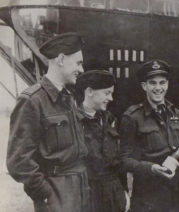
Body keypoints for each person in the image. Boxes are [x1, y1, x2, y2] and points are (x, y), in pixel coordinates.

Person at [6, 32, 89, 212]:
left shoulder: (68, 98)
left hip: (80, 189)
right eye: (78, 63)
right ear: (60, 59)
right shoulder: (32, 101)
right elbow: (18, 161)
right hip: (56, 194)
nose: (81, 70)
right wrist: (45, 193)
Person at [119, 59, 179, 212]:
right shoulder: (132, 117)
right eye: (153, 83)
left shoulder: (176, 113)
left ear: (168, 84)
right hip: (149, 197)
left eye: (162, 82)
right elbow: (123, 160)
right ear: (144, 86)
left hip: (176, 193)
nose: (158, 88)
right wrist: (151, 168)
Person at [75, 70, 130, 212]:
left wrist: (124, 191)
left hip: (114, 193)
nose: (111, 98)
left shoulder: (110, 119)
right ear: (90, 91)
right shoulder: (74, 121)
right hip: (88, 195)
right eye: (107, 93)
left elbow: (119, 162)